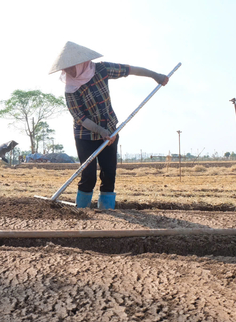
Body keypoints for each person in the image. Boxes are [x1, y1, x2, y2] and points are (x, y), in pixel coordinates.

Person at [49, 41, 169, 209]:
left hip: (110, 130)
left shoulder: (102, 69)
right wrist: (100, 131)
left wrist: (155, 75)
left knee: (109, 173)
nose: (67, 71)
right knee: (88, 175)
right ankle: (81, 211)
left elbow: (129, 70)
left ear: (81, 63)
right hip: (85, 135)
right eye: (65, 69)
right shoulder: (70, 90)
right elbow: (80, 118)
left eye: (70, 67)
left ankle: (106, 212)